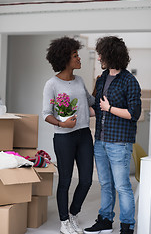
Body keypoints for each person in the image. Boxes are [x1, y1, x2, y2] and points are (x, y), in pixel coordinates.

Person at [84, 36, 141, 234]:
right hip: (100, 140)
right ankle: (105, 220)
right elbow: (97, 109)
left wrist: (110, 108)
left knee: (122, 186)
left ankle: (127, 226)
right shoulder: (101, 80)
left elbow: (134, 114)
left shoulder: (129, 81)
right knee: (106, 184)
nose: (98, 57)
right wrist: (73, 111)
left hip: (119, 143)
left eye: (101, 53)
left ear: (111, 54)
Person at [42, 36, 95, 234]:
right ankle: (64, 221)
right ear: (65, 59)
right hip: (64, 137)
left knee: (87, 180)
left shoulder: (80, 80)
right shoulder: (52, 84)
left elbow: (90, 101)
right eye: (75, 55)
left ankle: (73, 214)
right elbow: (46, 114)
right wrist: (62, 124)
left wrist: (100, 86)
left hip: (83, 135)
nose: (79, 58)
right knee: (65, 180)